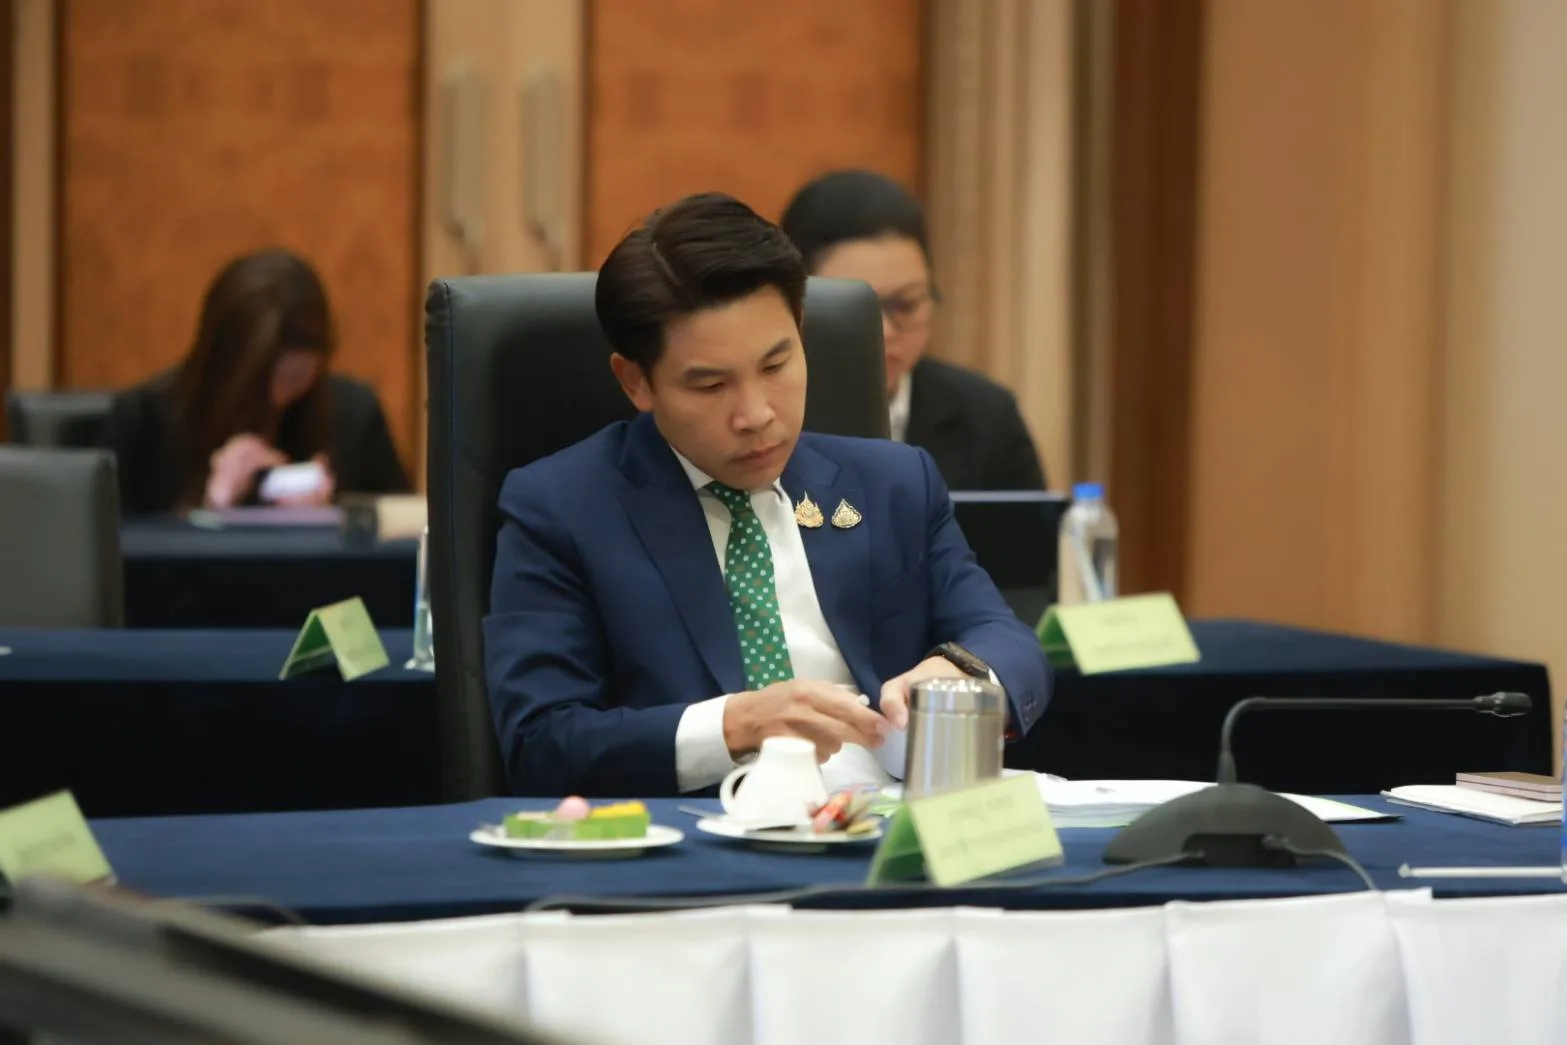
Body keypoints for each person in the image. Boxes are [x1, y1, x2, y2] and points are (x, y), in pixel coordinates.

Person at [484, 192, 1051, 797]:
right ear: (637, 382)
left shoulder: (893, 483)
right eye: (710, 386)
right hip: (706, 834)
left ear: (802, 332)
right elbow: (543, 742)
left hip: (888, 820)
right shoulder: (563, 508)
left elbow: (1007, 642)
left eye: (776, 366)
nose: (755, 415)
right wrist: (736, 724)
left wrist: (958, 674)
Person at [780, 169, 1048, 491]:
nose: (885, 331)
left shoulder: (987, 419)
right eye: (856, 310)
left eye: (905, 305)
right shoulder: (762, 415)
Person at [100, 248, 410, 515]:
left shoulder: (354, 416)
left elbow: (404, 533)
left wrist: (331, 522)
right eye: (255, 382)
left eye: (295, 378)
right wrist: (211, 506)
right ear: (219, 361)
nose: (275, 398)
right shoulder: (142, 421)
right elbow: (113, 554)